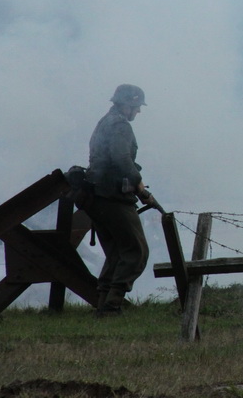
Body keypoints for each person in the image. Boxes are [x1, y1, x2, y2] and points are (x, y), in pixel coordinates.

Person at [83, 84, 155, 316]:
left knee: (116, 252)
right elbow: (122, 159)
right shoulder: (120, 126)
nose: (138, 112)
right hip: (113, 197)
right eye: (136, 106)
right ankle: (112, 305)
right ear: (127, 105)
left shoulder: (105, 122)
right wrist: (141, 189)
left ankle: (103, 304)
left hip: (97, 196)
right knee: (136, 251)